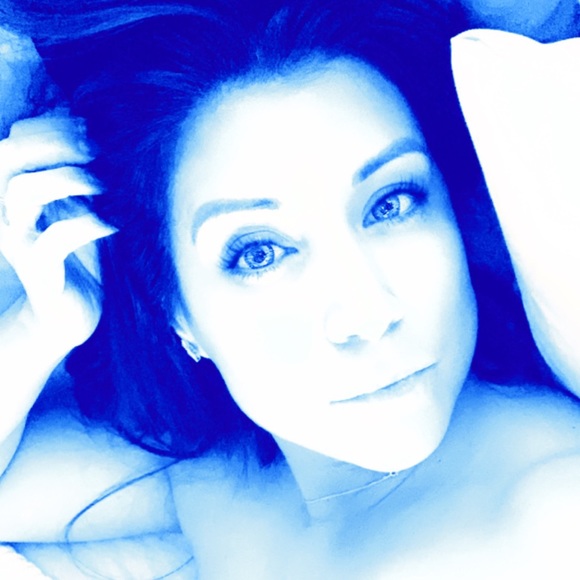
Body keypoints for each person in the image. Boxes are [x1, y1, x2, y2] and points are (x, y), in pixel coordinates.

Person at [2, 0, 580, 577]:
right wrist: (39, 330)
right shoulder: (221, 479)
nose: (366, 313)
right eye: (260, 253)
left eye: (391, 203)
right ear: (176, 311)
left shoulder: (552, 517)